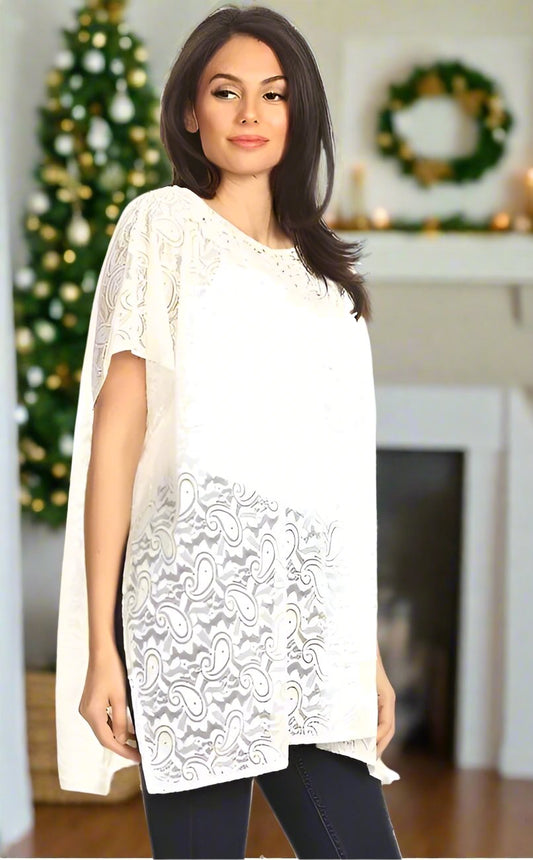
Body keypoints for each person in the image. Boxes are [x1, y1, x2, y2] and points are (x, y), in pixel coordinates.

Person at [55, 4, 403, 858]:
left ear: (298, 111)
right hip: (191, 614)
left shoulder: (325, 276)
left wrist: (362, 652)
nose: (251, 114)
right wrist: (100, 647)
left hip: (310, 626)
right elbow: (117, 439)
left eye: (273, 94)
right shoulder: (161, 227)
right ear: (189, 110)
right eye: (226, 92)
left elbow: (338, 477)